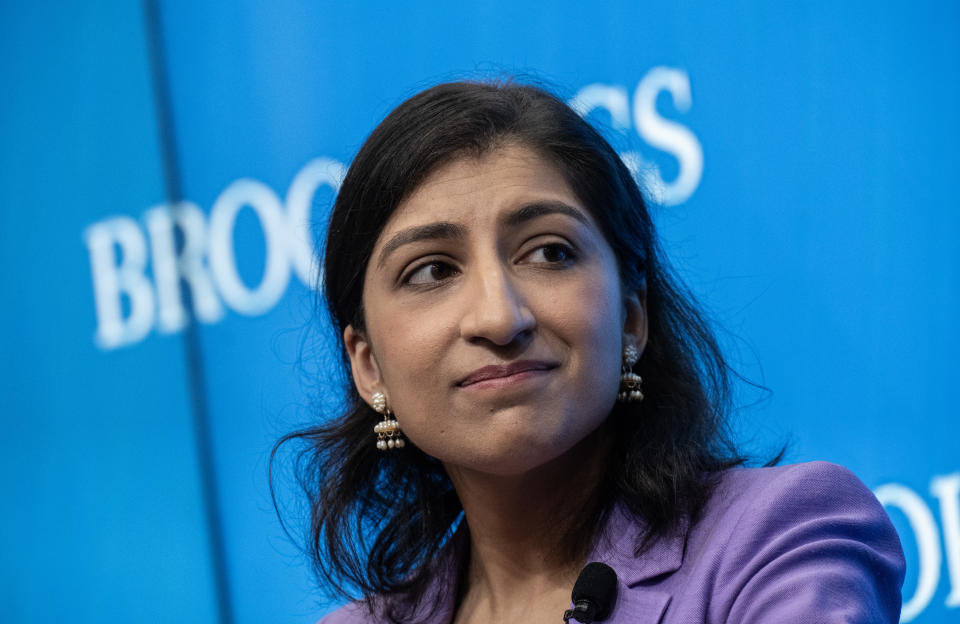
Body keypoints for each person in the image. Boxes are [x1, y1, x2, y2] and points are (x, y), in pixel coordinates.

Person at [275, 80, 905, 624]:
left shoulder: (781, 539)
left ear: (632, 318)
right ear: (368, 365)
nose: (500, 317)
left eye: (550, 252)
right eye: (432, 271)